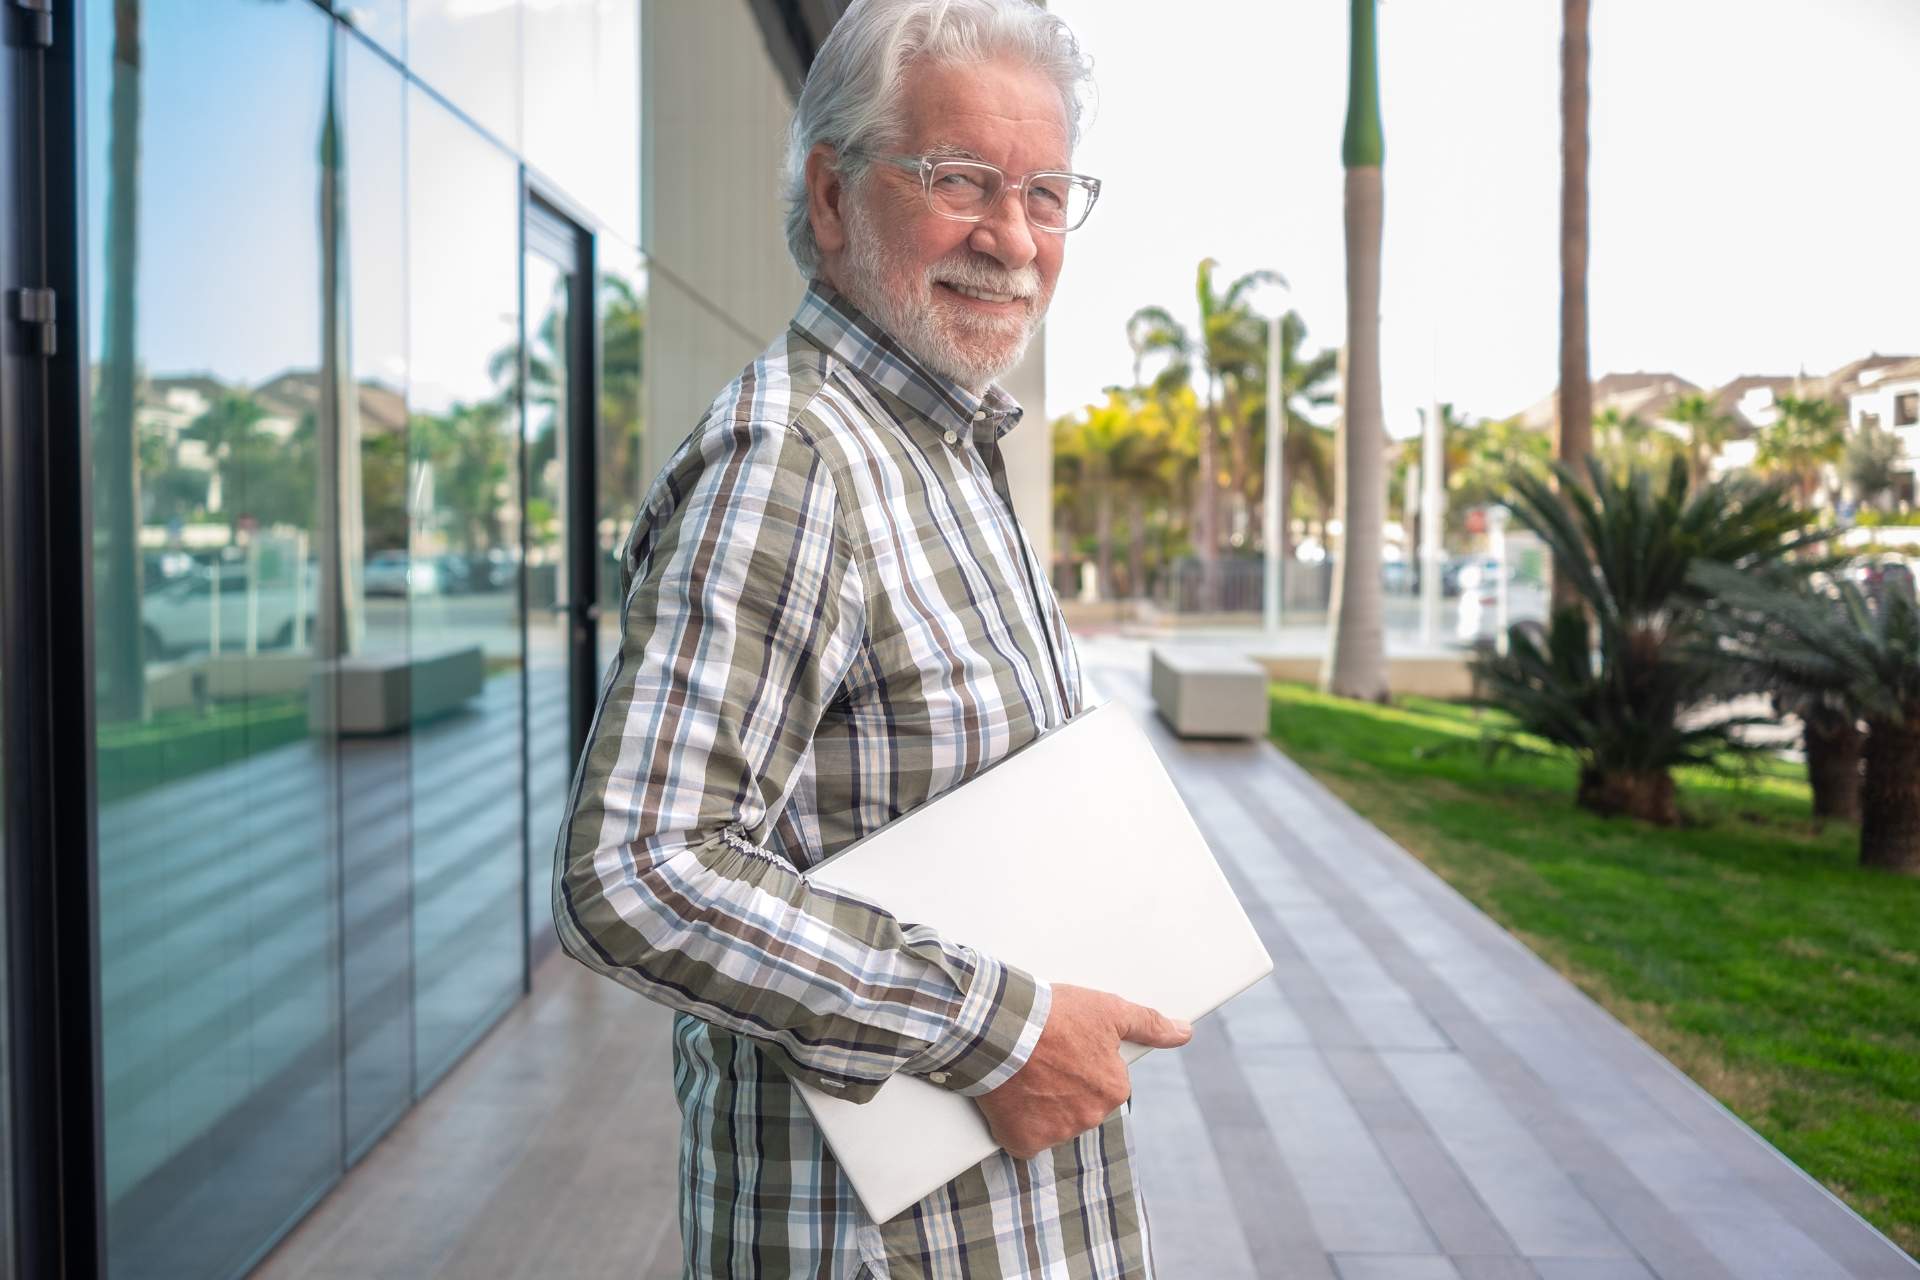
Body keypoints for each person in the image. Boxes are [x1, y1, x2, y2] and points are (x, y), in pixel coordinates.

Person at [552, 2, 1189, 1275]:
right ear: (833, 198)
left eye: (1048, 191)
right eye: (961, 180)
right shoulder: (789, 460)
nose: (1013, 237)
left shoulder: (945, 444)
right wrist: (997, 1029)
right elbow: (635, 870)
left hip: (1008, 1216)